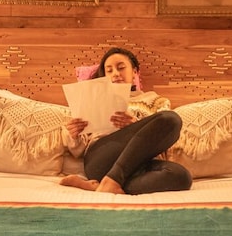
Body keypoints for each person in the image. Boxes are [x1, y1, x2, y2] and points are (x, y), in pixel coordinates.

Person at [59, 47, 192, 195]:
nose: (115, 73)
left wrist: (135, 125)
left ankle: (103, 185)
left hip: (140, 162)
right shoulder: (96, 100)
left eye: (121, 68)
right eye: (109, 70)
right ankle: (112, 180)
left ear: (134, 72)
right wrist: (74, 134)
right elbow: (77, 149)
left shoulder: (155, 100)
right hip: (101, 159)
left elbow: (165, 136)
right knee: (171, 119)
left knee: (181, 175)